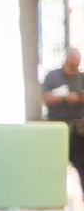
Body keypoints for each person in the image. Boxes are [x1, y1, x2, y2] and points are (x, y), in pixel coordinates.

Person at [42, 47, 84, 192]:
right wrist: (65, 97)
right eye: (72, 65)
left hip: (78, 129)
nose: (75, 69)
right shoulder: (52, 76)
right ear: (66, 62)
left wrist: (79, 97)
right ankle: (53, 193)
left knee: (81, 163)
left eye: (77, 66)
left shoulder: (81, 77)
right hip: (56, 127)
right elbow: (45, 98)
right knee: (55, 164)